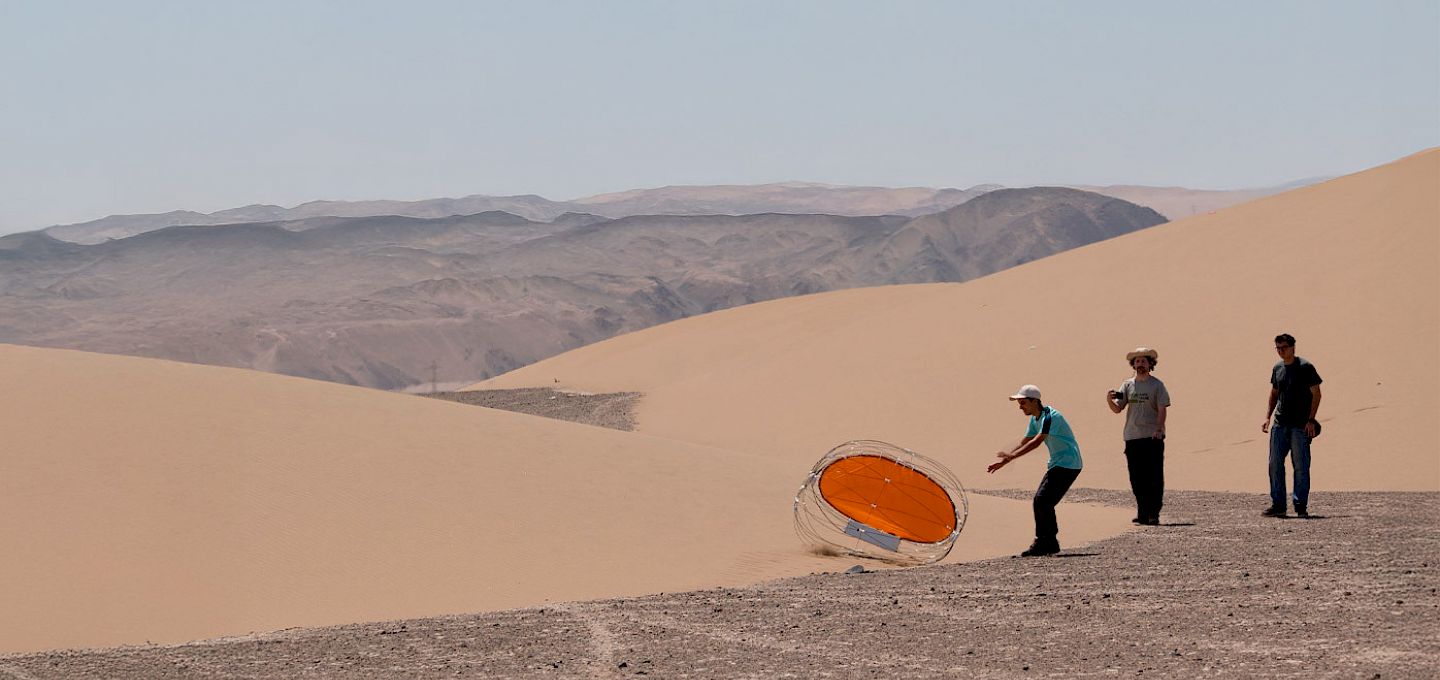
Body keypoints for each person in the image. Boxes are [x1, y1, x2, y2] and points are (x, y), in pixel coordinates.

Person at [988, 385, 1084, 556]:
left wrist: (1012, 456)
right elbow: (1025, 441)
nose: (1020, 407)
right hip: (1057, 464)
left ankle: (1046, 541)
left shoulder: (1050, 417)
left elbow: (1037, 442)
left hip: (1069, 463)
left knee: (1042, 501)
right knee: (1041, 501)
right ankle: (1047, 541)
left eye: (1023, 402)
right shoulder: (1035, 419)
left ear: (1034, 401)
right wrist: (1004, 461)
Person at [1106, 347, 1171, 525]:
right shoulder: (1127, 385)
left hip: (1152, 437)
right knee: (1136, 477)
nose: (1140, 364)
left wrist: (1159, 428)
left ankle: (1153, 513)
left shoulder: (1157, 385)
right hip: (1132, 437)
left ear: (1150, 364)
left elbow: (1162, 409)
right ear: (1133, 365)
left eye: (1143, 361)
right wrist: (1109, 400)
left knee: (1154, 476)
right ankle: (1142, 512)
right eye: (1137, 361)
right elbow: (1118, 408)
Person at [1262, 333, 1323, 517]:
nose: (1281, 351)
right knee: (1274, 464)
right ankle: (1278, 505)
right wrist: (1267, 417)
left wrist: (1311, 420)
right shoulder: (1277, 368)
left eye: (1284, 347)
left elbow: (1316, 393)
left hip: (1300, 426)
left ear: (1293, 347)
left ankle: (1300, 505)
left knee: (1301, 466)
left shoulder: (1305, 367)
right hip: (1279, 424)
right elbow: (1274, 393)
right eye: (1278, 348)